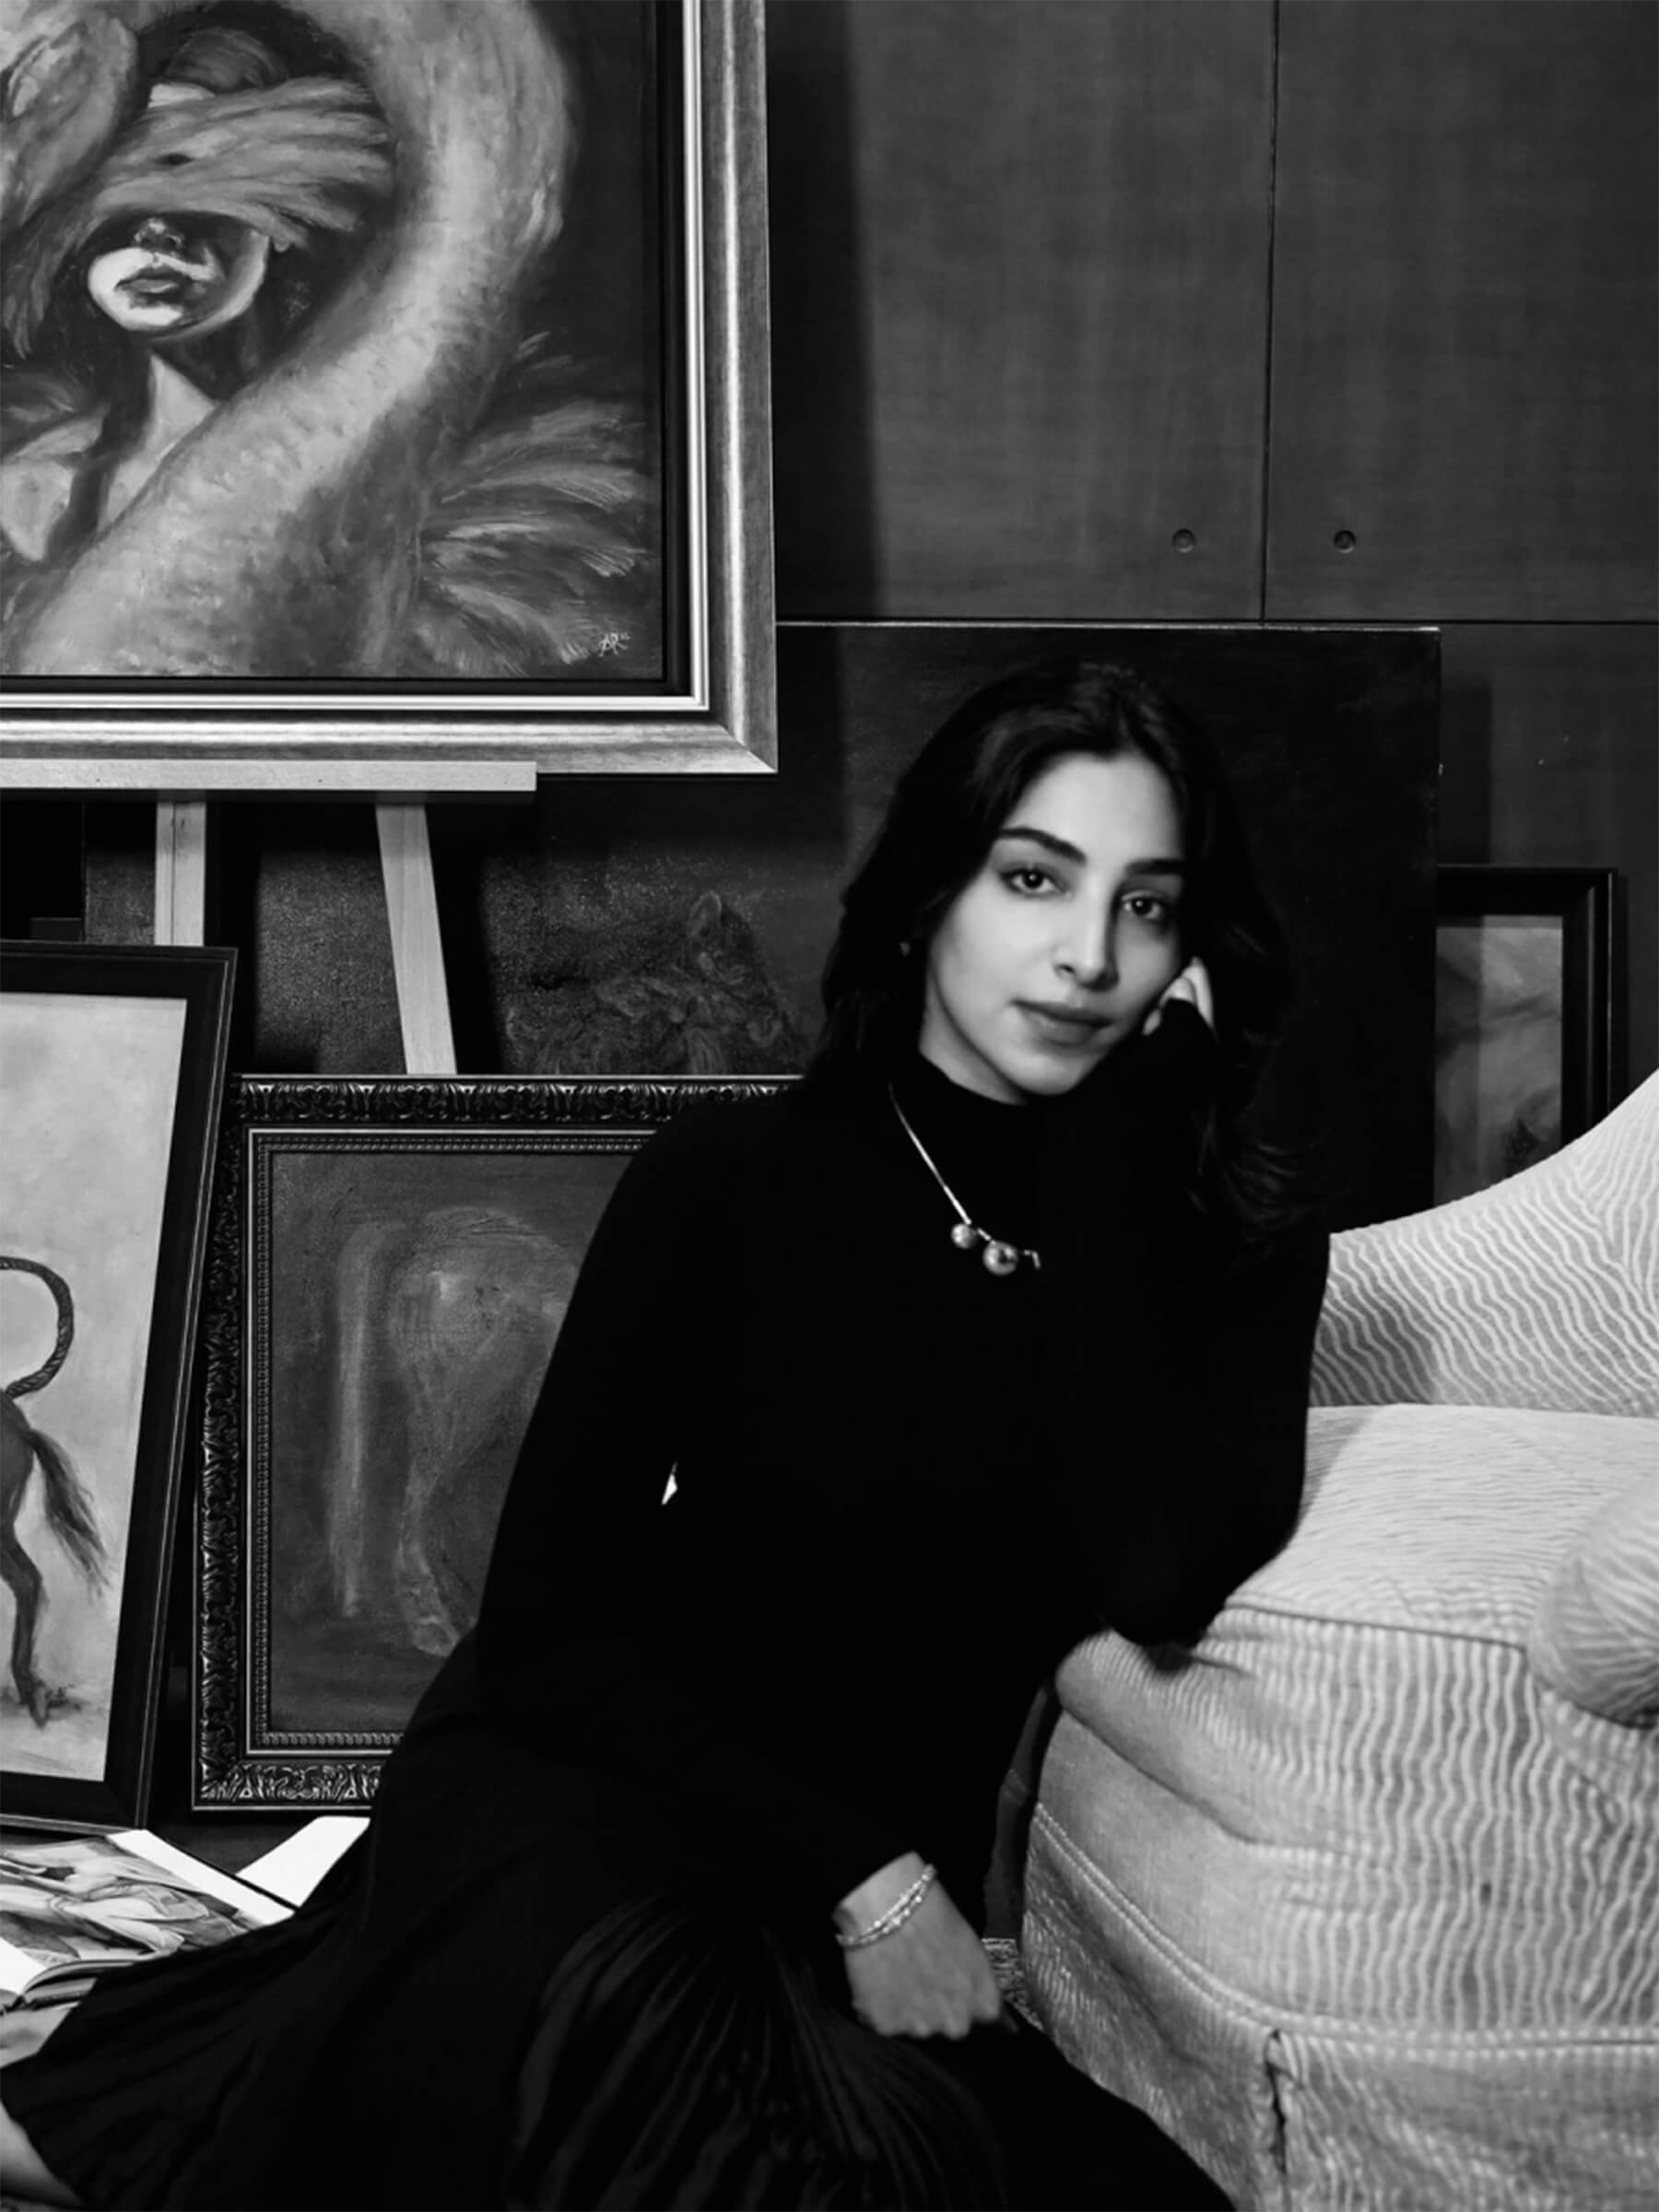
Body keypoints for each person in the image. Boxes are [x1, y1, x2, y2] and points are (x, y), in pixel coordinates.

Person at [0, 657, 1329, 2210]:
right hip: (598, 1768)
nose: (1089, 955)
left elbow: (1159, 1570)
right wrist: (868, 1878)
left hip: (823, 1874)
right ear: (925, 897)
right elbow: (549, 1635)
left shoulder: (1222, 1249)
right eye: (1034, 879)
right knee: (607, 2006)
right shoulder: (736, 1179)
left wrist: (1103, 1154)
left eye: (1148, 907)